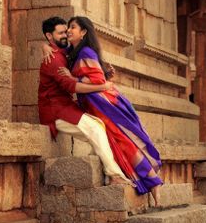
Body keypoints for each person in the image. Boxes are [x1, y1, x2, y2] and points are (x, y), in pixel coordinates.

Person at [58, 16, 164, 205]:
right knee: (116, 140)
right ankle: (150, 182)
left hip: (104, 103)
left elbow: (98, 81)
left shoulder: (86, 52)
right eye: (68, 27)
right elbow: (54, 48)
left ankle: (153, 181)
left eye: (73, 27)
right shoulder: (75, 53)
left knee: (123, 140)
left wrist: (73, 79)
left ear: (83, 32)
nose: (68, 30)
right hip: (94, 102)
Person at [37, 16, 129, 187]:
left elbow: (82, 68)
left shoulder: (63, 52)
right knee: (95, 128)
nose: (66, 35)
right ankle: (114, 175)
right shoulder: (53, 60)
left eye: (67, 31)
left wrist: (103, 71)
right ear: (50, 36)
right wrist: (103, 86)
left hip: (66, 107)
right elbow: (74, 87)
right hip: (54, 111)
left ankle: (110, 171)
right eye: (61, 33)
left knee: (100, 125)